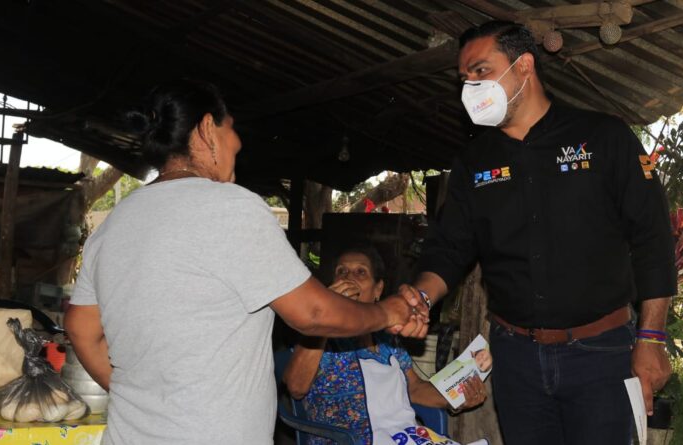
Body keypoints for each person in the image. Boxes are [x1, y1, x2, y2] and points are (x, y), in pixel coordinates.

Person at [64, 79, 423, 445]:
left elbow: (80, 329)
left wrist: (144, 398)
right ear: (207, 128)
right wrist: (389, 312)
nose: (237, 143)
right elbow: (313, 313)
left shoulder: (115, 223)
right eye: (231, 128)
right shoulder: (231, 207)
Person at [393, 21, 677, 444]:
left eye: (481, 71)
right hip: (516, 357)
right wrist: (419, 299)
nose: (470, 85)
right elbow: (448, 249)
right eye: (465, 77)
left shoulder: (604, 137)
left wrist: (651, 337)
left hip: (600, 353)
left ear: (523, 65)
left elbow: (653, 239)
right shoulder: (474, 162)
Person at [283, 245, 490, 445]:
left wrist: (455, 398)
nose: (349, 277)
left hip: (400, 437)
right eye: (342, 271)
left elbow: (415, 389)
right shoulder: (322, 338)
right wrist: (327, 318)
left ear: (378, 289)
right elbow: (296, 388)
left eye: (360, 272)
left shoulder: (388, 339)